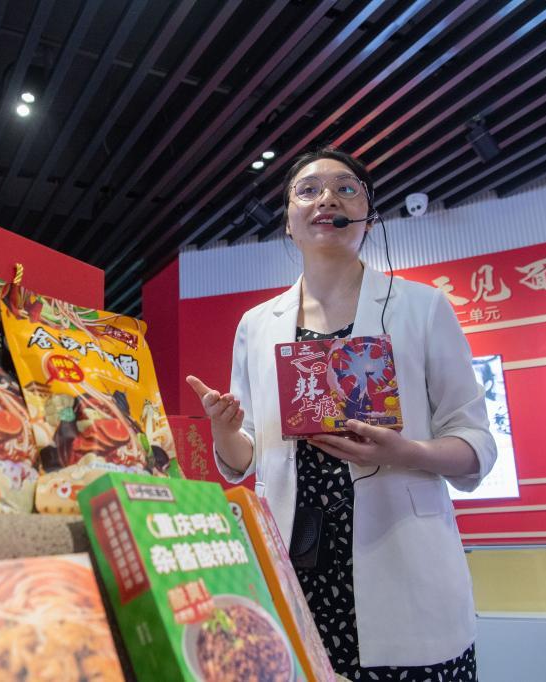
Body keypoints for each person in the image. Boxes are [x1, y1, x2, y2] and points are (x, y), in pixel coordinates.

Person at [187, 148, 496, 681]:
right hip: (296, 567)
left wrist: (406, 451)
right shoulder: (257, 324)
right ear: (289, 222)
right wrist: (224, 428)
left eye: (346, 188)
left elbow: (476, 444)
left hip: (404, 567)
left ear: (368, 216)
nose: (327, 198)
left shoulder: (422, 307)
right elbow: (246, 456)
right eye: (308, 190)